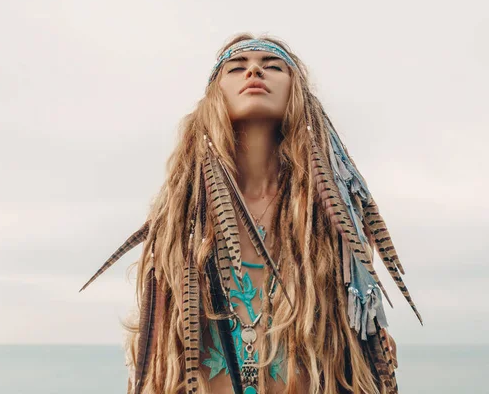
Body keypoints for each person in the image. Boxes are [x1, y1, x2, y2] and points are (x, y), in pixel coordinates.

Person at [80, 33, 422, 394]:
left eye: (272, 66)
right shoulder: (182, 219)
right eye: (237, 67)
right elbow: (159, 352)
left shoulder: (328, 219)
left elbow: (357, 331)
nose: (254, 70)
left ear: (297, 92)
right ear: (215, 95)